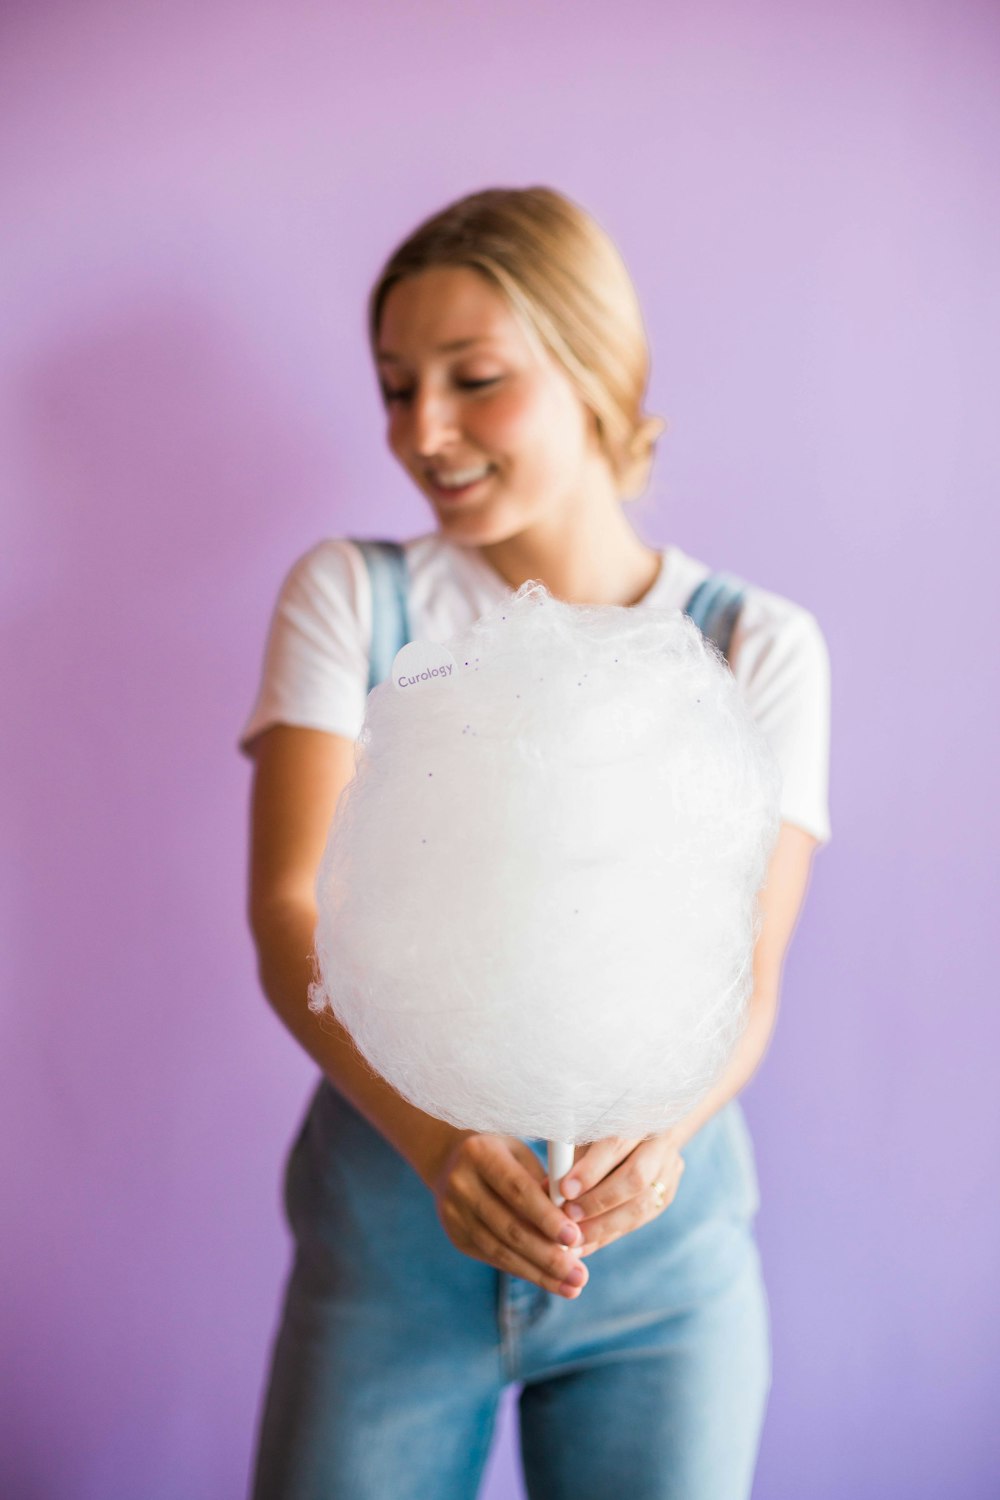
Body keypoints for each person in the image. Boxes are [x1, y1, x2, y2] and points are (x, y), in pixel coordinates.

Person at [238, 186, 832, 1500]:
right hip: (385, 1255)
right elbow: (292, 917)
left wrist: (654, 1141)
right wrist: (444, 1145)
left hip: (659, 1285)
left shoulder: (756, 645)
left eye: (474, 379)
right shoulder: (354, 593)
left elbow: (751, 972)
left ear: (596, 374)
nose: (422, 431)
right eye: (396, 387)